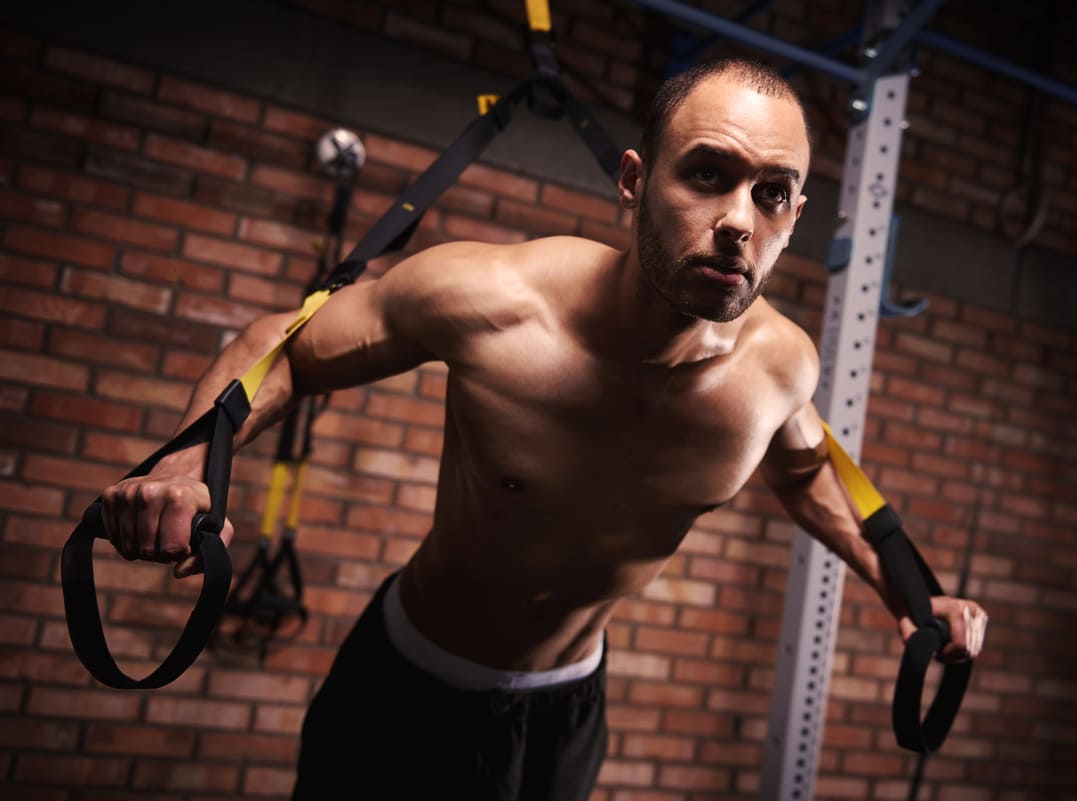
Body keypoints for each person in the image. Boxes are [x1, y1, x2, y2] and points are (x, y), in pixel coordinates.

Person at [100, 58, 988, 801]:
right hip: (407, 688)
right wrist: (188, 467)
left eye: (772, 194)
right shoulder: (493, 300)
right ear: (635, 181)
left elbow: (802, 471)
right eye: (708, 174)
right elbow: (285, 347)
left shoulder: (780, 367)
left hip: (568, 711)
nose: (736, 222)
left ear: (792, 220)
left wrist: (912, 595)